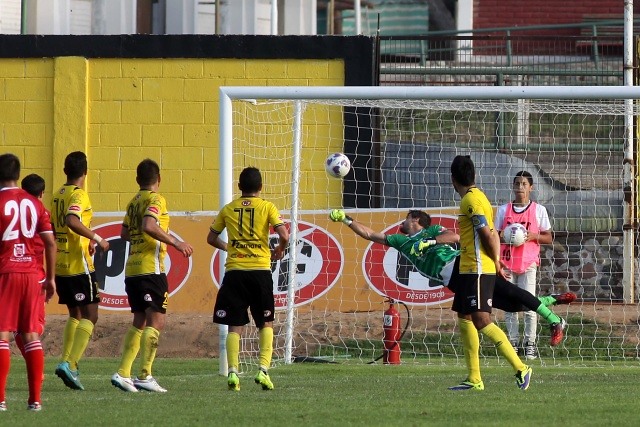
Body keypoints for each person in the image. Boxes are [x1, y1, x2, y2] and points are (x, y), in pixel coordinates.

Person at [328, 209, 572, 345]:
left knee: (508, 294)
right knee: (510, 305)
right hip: (453, 282)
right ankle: (551, 299)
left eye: (406, 218)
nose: (402, 223)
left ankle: (554, 321)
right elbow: (371, 235)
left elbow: (455, 238)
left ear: (415, 220)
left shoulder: (432, 230)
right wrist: (347, 220)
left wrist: (429, 242)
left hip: (463, 266)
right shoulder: (401, 241)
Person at [449, 154, 532, 391]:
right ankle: (474, 378)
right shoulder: (476, 197)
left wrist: (495, 261)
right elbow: (492, 233)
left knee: (481, 320)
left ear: (453, 179)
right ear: (473, 175)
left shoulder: (472, 201)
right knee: (464, 317)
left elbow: (487, 233)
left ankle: (520, 368)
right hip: (468, 268)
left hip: (476, 268)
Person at [111, 159, 193, 393]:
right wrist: (175, 242)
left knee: (140, 320)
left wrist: (141, 238)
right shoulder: (156, 199)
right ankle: (144, 375)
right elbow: (149, 224)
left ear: (137, 180)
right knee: (157, 320)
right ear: (159, 179)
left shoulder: (133, 202)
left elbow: (124, 233)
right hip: (150, 268)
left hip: (133, 269)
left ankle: (124, 373)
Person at [207, 167, 289, 392]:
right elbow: (284, 235)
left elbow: (211, 238)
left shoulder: (228, 209)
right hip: (260, 272)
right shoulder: (267, 206)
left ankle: (233, 371)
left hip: (234, 272)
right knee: (266, 322)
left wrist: (229, 247)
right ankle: (263, 370)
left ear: (239, 187)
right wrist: (279, 250)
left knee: (235, 324)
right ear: (260, 187)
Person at [0, 154, 56, 411]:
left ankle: (0, 400)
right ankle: (35, 400)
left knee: (2, 335)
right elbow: (50, 242)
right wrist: (51, 278)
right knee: (30, 334)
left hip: (6, 272)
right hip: (33, 275)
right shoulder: (35, 203)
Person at [51, 151, 109, 391]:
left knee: (75, 314)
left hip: (61, 265)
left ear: (65, 171)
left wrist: (88, 241)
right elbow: (72, 220)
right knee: (91, 315)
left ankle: (66, 360)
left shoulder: (56, 195)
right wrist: (98, 238)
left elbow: (57, 228)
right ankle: (71, 363)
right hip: (78, 265)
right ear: (85, 172)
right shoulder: (79, 195)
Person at [495, 171, 553, 360]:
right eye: (517, 184)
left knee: (529, 306)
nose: (520, 187)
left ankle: (530, 344)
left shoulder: (539, 210)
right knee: (509, 307)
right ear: (513, 186)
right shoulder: (504, 210)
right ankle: (512, 343)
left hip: (528, 263)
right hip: (507, 263)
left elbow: (549, 237)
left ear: (531, 187)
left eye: (524, 184)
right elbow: (494, 235)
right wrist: (503, 235)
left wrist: (533, 236)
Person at [12, 174, 48, 359]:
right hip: (35, 275)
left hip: (12, 271)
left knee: (19, 326)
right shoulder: (42, 212)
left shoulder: (11, 212)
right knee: (35, 325)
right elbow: (51, 243)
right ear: (42, 193)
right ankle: (34, 362)